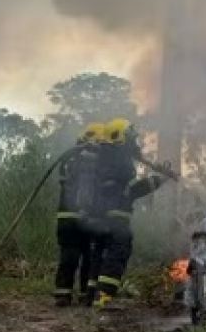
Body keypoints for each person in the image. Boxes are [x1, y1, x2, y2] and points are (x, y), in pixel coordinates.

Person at [91, 118, 170, 309]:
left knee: (99, 255)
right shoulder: (119, 160)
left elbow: (130, 190)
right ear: (120, 138)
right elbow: (132, 190)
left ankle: (91, 295)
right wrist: (158, 180)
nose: (135, 144)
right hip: (116, 217)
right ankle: (103, 297)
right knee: (118, 252)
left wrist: (158, 180)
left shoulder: (105, 156)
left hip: (100, 217)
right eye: (131, 139)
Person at [53, 122, 106, 307]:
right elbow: (86, 190)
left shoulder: (69, 159)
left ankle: (63, 294)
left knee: (68, 255)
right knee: (89, 257)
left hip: (65, 217)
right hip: (84, 217)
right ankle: (86, 295)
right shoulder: (90, 160)